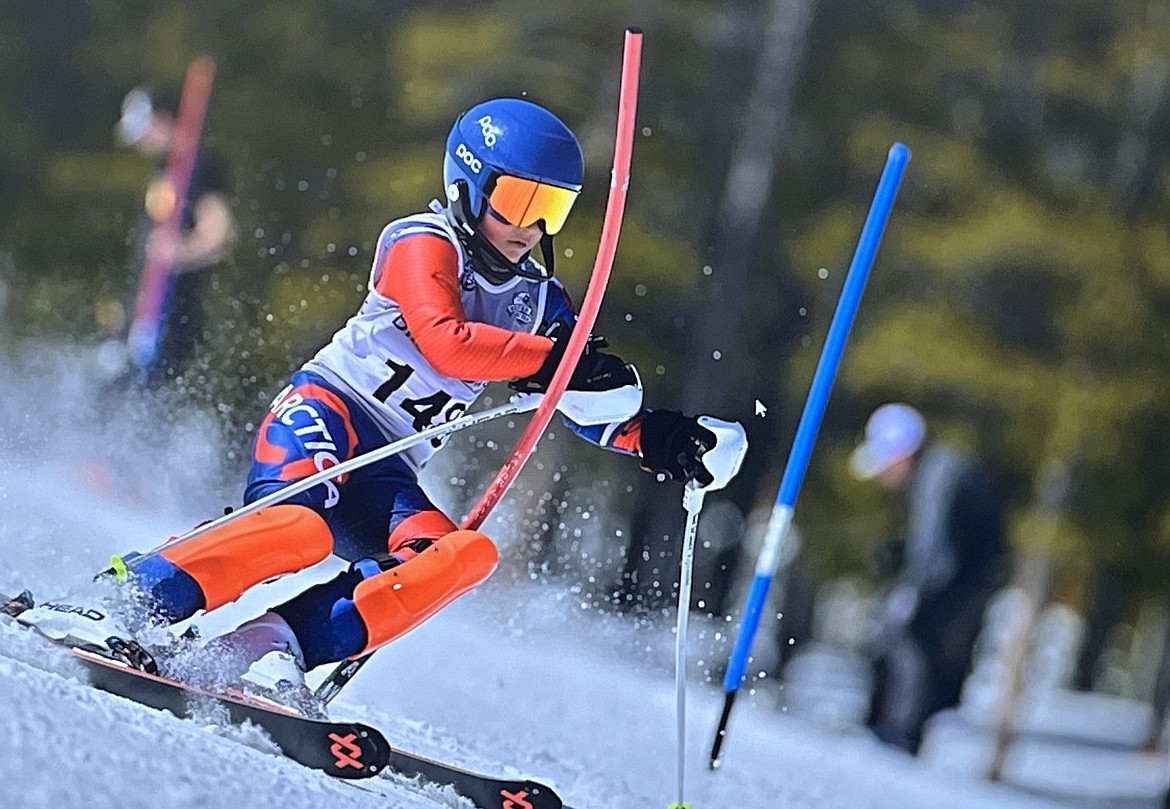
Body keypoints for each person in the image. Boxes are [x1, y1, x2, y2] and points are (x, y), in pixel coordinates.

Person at [19, 98, 747, 708]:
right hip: (324, 416)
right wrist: (563, 358)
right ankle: (133, 599)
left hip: (388, 470)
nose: (530, 225)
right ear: (470, 185)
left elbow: (577, 400)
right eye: (517, 200)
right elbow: (447, 341)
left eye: (551, 206)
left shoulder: (540, 300)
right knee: (298, 530)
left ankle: (270, 646)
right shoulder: (421, 242)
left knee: (461, 554)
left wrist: (663, 440)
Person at [849, 403, 1010, 754]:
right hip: (967, 582)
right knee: (912, 640)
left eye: (883, 463)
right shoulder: (942, 469)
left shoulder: (939, 477)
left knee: (908, 636)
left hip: (961, 585)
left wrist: (911, 595)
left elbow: (937, 553)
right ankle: (895, 730)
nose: (882, 476)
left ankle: (896, 735)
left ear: (901, 454)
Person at [110, 84, 234, 387]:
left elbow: (220, 234)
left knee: (146, 399)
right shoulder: (165, 169)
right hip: (144, 319)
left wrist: (178, 252)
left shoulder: (199, 166)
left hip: (172, 317)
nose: (141, 142)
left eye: (144, 130)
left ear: (163, 119)